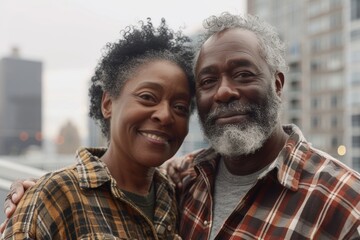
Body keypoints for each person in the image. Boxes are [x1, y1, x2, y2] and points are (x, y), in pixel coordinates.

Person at [2, 12, 360, 239]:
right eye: (206, 82)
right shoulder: (185, 179)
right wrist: (37, 193)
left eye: (243, 74)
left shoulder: (346, 203)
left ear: (278, 84)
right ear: (107, 103)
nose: (224, 92)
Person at [0, 17, 195, 240]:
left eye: (180, 107)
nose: (165, 115)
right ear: (108, 103)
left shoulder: (176, 197)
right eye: (147, 97)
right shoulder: (53, 195)